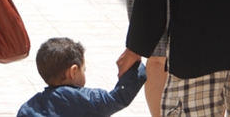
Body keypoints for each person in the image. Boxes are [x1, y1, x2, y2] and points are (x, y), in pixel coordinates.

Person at [18, 38, 147, 117]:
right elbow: (119, 98)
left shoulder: (29, 107)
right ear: (73, 71)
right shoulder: (88, 99)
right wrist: (136, 66)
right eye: (83, 70)